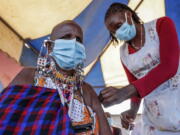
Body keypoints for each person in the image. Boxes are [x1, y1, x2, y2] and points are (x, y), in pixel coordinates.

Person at [0, 20, 112, 135]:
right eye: (65, 37)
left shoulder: (87, 91)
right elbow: (7, 118)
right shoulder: (29, 76)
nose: (73, 43)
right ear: (49, 47)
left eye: (78, 40)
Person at [99, 2, 180, 135]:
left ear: (128, 15)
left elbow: (169, 67)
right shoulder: (123, 53)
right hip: (155, 119)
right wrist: (132, 111)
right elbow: (135, 86)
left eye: (118, 26)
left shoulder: (161, 25)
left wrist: (124, 92)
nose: (117, 32)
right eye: (113, 31)